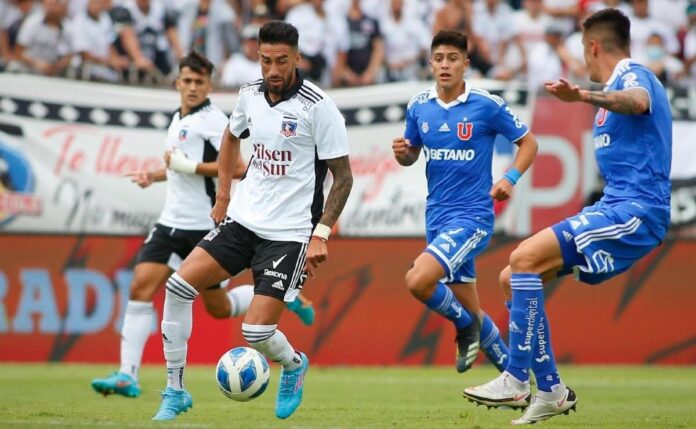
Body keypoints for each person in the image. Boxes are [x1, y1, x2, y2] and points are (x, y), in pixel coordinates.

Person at [463, 9, 672, 425]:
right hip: (612, 206)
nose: (585, 57)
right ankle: (553, 389)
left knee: (522, 258)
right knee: (513, 276)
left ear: (593, 47)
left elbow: (639, 101)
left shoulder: (634, 74)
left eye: (583, 48)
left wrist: (584, 96)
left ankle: (516, 378)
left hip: (637, 211)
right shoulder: (615, 85)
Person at [151, 21, 353, 421]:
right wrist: (224, 194)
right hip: (243, 221)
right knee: (177, 287)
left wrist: (321, 234)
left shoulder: (318, 107)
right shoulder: (248, 96)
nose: (273, 70)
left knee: (255, 333)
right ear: (257, 58)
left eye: (282, 61)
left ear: (297, 58)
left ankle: (293, 365)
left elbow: (343, 177)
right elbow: (231, 137)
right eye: (265, 60)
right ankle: (174, 391)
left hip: (290, 235)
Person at [90, 50, 314, 399]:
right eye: (187, 80)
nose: (193, 87)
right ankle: (127, 375)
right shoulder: (179, 118)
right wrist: (155, 175)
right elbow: (183, 164)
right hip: (169, 224)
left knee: (218, 307)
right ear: (177, 82)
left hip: (202, 225)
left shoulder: (212, 121)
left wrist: (187, 168)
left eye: (200, 82)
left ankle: (285, 296)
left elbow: (238, 167)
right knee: (140, 288)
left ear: (209, 85)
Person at [393, 30, 539, 374]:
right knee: (471, 308)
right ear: (430, 64)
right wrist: (404, 154)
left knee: (417, 280)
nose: (445, 65)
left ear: (465, 65)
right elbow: (411, 155)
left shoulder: (486, 105)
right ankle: (516, 379)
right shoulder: (418, 106)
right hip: (437, 217)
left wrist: (510, 178)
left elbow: (529, 143)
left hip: (472, 217)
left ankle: (463, 328)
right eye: (439, 59)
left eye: (453, 59)